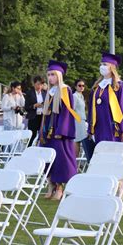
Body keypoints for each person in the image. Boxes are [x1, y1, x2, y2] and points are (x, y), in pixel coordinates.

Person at [40, 60, 79, 200]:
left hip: (58, 132)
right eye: (49, 74)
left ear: (59, 75)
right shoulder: (50, 91)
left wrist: (61, 131)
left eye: (53, 75)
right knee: (47, 159)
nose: (50, 77)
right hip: (48, 130)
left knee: (61, 160)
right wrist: (42, 131)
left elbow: (67, 112)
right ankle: (50, 184)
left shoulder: (64, 90)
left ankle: (60, 188)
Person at [87, 53, 123, 148]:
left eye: (105, 64)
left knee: (113, 154)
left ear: (112, 67)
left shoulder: (119, 86)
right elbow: (91, 109)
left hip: (113, 127)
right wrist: (90, 128)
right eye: (101, 64)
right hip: (99, 127)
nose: (101, 67)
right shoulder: (97, 87)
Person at [25, 76, 47, 145]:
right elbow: (26, 107)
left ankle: (41, 149)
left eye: (41, 84)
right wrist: (34, 106)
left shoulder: (45, 93)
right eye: (38, 84)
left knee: (42, 135)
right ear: (34, 84)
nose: (39, 86)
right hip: (33, 117)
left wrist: (44, 105)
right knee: (32, 135)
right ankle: (29, 150)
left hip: (42, 116)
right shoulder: (29, 93)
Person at [72, 79, 89, 158]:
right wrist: (77, 119)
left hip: (82, 121)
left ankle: (77, 162)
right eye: (79, 85)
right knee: (77, 141)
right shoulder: (74, 96)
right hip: (77, 121)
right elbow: (72, 109)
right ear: (75, 87)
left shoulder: (81, 96)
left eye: (83, 85)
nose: (81, 87)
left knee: (82, 140)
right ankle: (75, 161)